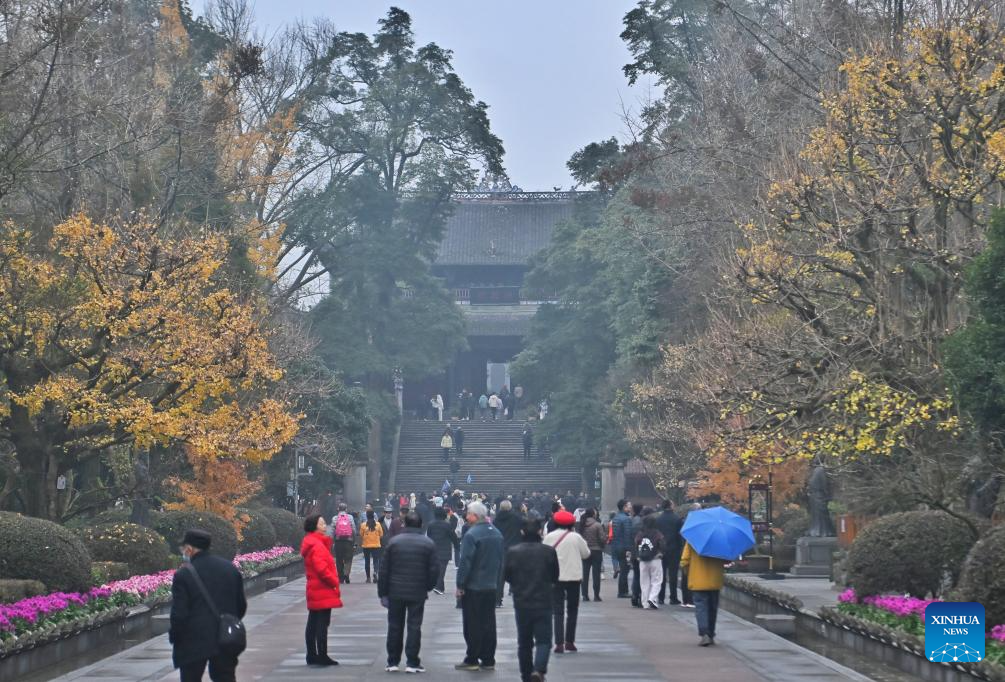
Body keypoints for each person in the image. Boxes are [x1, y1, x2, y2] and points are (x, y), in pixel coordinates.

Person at [170, 529, 248, 681]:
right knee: (225, 677)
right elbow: (241, 605)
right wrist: (227, 622)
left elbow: (179, 614)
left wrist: (175, 637)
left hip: (192, 641)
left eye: (183, 548)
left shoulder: (184, 575)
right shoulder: (229, 569)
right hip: (225, 638)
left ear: (189, 549)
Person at [379, 511, 439, 673]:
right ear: (421, 525)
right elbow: (434, 570)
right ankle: (412, 662)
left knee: (394, 626)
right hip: (417, 591)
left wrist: (382, 592)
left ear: (404, 524)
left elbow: (384, 570)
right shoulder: (427, 543)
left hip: (395, 590)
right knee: (414, 626)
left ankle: (392, 661)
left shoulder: (394, 542)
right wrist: (428, 586)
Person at [506, 518, 559, 682]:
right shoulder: (549, 551)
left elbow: (507, 575)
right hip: (543, 600)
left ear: (522, 532)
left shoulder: (513, 551)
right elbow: (555, 576)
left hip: (522, 601)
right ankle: (539, 669)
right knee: (544, 641)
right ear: (540, 532)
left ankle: (526, 675)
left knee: (524, 642)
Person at [454, 501, 504, 671]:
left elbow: (465, 562)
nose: (466, 517)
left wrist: (460, 585)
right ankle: (489, 659)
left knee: (472, 623)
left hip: (474, 586)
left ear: (475, 516)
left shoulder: (471, 534)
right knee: (489, 622)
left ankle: (472, 658)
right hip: (491, 585)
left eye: (468, 514)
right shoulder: (497, 533)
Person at [543, 510, 589, 654]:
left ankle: (559, 643)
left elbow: (543, 555)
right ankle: (570, 641)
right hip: (574, 577)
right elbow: (586, 554)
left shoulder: (549, 537)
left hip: (555, 578)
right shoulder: (576, 537)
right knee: (572, 610)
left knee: (557, 611)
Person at [300, 515, 342, 667]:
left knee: (313, 622)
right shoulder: (317, 545)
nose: (325, 525)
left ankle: (312, 654)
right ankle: (322, 655)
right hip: (322, 589)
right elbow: (321, 569)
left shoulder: (312, 543)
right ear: (315, 526)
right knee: (321, 625)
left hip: (315, 588)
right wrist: (334, 581)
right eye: (322, 523)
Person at [680, 540, 727, 645]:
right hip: (715, 580)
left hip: (697, 580)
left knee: (701, 608)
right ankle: (711, 634)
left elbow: (685, 560)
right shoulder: (720, 541)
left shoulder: (692, 540)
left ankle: (704, 633)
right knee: (712, 608)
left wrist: (688, 572)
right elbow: (726, 559)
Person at [491, 499, 524, 606]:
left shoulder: (496, 520)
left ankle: (497, 600)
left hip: (500, 548)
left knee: (500, 576)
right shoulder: (516, 518)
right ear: (510, 507)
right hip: (515, 548)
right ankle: (516, 595)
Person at [634, 514, 666, 609]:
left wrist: (637, 555)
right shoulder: (657, 533)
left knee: (644, 582)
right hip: (655, 559)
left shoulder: (640, 533)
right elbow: (663, 545)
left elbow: (636, 544)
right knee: (656, 580)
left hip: (642, 560)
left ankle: (645, 603)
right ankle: (652, 598)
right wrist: (661, 553)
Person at [426, 507, 460, 594]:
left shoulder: (430, 524)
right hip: (444, 550)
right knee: (442, 569)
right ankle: (438, 587)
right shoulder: (447, 525)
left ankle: (441, 587)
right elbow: (453, 537)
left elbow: (428, 537)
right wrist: (457, 546)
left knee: (437, 569)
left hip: (433, 549)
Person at [656, 499, 683, 605]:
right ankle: (673, 597)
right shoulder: (677, 519)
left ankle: (661, 597)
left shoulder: (658, 519)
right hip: (674, 549)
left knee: (661, 574)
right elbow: (679, 536)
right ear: (671, 506)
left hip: (661, 550)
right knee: (673, 574)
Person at [578, 508, 605, 602]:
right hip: (596, 551)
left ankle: (585, 595)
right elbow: (602, 539)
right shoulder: (597, 525)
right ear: (593, 514)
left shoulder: (582, 524)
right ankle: (596, 595)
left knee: (585, 574)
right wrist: (602, 544)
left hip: (585, 551)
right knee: (596, 574)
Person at [611, 499, 634, 598]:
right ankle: (622, 591)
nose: (631, 507)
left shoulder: (616, 517)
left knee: (623, 569)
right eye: (629, 505)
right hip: (624, 547)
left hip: (616, 546)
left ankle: (623, 591)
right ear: (624, 507)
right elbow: (627, 535)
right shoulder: (626, 519)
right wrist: (629, 550)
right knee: (625, 570)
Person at [331, 503, 356, 583]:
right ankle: (346, 574)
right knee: (348, 559)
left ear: (338, 509)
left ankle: (341, 578)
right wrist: (354, 540)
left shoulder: (335, 518)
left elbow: (332, 531)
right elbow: (354, 530)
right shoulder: (350, 517)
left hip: (338, 542)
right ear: (346, 509)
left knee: (339, 560)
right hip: (348, 541)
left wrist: (332, 541)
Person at [359, 509, 384, 584]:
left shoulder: (363, 525)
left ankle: (368, 578)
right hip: (376, 545)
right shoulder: (378, 524)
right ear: (374, 515)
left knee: (367, 561)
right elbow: (381, 534)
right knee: (376, 561)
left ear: (366, 516)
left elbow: (361, 534)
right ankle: (376, 572)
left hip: (366, 545)